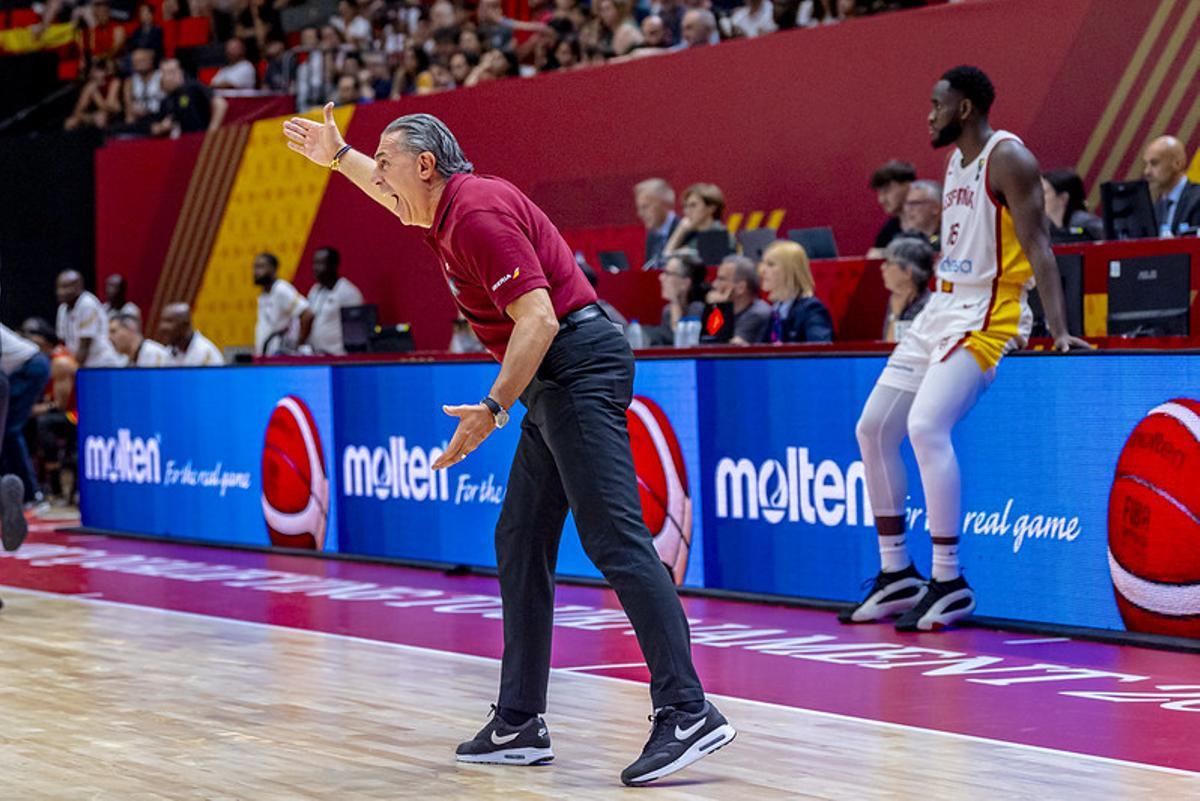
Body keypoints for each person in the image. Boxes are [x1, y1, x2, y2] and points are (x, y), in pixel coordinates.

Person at [283, 105, 734, 785]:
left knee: (614, 537)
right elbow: (390, 195)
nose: (380, 175)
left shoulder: (476, 215)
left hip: (576, 364)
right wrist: (339, 154)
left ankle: (687, 707)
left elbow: (541, 317)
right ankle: (520, 720)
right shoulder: (442, 208)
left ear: (426, 166)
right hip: (557, 376)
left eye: (386, 162)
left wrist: (492, 408)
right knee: (519, 536)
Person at [846, 65, 1090, 633]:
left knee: (927, 428)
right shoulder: (956, 161)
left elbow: (1039, 247)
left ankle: (949, 580)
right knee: (873, 429)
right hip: (941, 306)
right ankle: (896, 573)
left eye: (936, 104)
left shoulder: (1010, 158)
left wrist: (1057, 328)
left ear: (963, 108)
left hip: (991, 310)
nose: (928, 114)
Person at [0, 324, 52, 509]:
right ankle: (12, 491)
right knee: (6, 433)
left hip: (31, 367)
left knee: (10, 431)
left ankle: (31, 493)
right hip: (19, 371)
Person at [759, 239, 833, 343]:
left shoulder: (811, 309)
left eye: (770, 265)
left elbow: (820, 351)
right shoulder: (776, 310)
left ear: (790, 270)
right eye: (763, 263)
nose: (762, 270)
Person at [55, 270, 125, 368]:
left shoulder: (87, 304)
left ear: (78, 287)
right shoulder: (62, 308)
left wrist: (74, 370)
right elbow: (63, 341)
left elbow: (85, 345)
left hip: (102, 364)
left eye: (66, 287)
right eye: (59, 287)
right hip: (83, 363)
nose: (61, 292)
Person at [306, 247, 364, 355]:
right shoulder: (315, 290)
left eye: (320, 263)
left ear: (334, 266)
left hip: (338, 357)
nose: (315, 268)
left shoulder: (348, 293)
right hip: (316, 356)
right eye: (314, 263)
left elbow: (356, 334)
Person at [253, 253, 314, 355]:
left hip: (280, 356)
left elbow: (307, 314)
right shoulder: (264, 294)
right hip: (265, 355)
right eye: (255, 267)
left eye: (261, 267)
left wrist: (298, 345)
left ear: (274, 269)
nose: (256, 272)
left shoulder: (281, 289)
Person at [1141, 135, 1200, 237]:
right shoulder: (1156, 207)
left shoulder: (1197, 199)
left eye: (1154, 163)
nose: (1147, 172)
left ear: (1177, 163)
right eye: (1146, 164)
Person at [706, 255, 771, 344]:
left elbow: (725, 349)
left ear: (741, 287)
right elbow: (706, 341)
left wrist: (719, 307)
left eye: (721, 279)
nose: (714, 284)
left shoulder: (757, 314)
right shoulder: (728, 311)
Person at [879, 236, 933, 343]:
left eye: (889, 263)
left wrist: (896, 315)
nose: (882, 267)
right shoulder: (897, 299)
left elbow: (894, 349)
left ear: (908, 272)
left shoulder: (927, 308)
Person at [647, 252, 707, 346]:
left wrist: (674, 301)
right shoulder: (668, 311)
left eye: (668, 273)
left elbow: (683, 344)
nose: (661, 277)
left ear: (685, 283)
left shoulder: (700, 309)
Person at [663, 183, 731, 257]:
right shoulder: (693, 236)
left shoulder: (719, 235)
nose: (687, 211)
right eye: (685, 206)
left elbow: (710, 266)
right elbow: (665, 259)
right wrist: (680, 230)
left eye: (693, 205)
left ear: (711, 208)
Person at [867, 159, 916, 258]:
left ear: (908, 185)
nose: (881, 200)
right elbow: (873, 257)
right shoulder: (890, 228)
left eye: (886, 190)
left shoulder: (932, 219)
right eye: (879, 193)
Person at [1041, 169, 1103, 242]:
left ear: (1063, 198)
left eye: (1044, 193)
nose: (1038, 198)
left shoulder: (1087, 224)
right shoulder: (1042, 227)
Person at [158, 303, 225, 365]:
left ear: (185, 324)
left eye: (169, 321)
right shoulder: (166, 353)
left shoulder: (207, 354)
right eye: (162, 321)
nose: (162, 327)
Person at [634, 177, 679, 269]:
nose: (640, 214)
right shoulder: (652, 235)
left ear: (664, 203)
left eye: (645, 207)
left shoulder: (687, 231)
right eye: (639, 208)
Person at [900, 179, 942, 248]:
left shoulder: (947, 240)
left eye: (914, 203)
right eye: (906, 204)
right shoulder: (899, 239)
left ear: (935, 208)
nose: (908, 209)